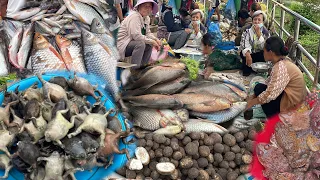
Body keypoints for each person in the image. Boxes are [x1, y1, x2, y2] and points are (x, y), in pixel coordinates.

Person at [245, 36, 307, 117]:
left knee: (260, 91)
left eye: (264, 51)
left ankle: (275, 116)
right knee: (259, 87)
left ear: (270, 52)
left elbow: (269, 94)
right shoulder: (282, 61)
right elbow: (269, 83)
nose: (263, 53)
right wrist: (252, 97)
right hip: (291, 98)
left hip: (292, 105)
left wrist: (251, 103)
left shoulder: (280, 67)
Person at [117, 0, 162, 69]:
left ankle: (143, 67)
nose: (147, 9)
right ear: (139, 7)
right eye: (145, 6)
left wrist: (156, 39)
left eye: (149, 6)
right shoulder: (134, 16)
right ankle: (135, 70)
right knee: (140, 44)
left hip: (132, 43)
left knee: (149, 44)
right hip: (123, 45)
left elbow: (148, 33)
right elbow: (136, 36)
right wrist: (152, 41)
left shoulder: (146, 18)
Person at [239, 10, 269, 76]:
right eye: (255, 19)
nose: (257, 22)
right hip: (249, 54)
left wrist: (259, 35)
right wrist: (248, 54)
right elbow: (244, 44)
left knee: (263, 54)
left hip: (259, 54)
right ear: (252, 21)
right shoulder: (247, 30)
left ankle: (257, 68)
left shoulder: (265, 32)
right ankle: (248, 66)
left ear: (263, 22)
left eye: (259, 20)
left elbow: (264, 47)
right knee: (246, 71)